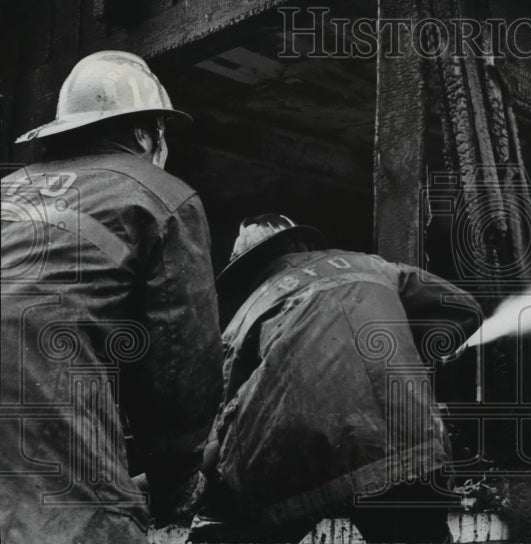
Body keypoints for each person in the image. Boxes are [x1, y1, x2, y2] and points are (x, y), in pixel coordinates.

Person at [0, 51, 223, 544]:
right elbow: (178, 373)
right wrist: (176, 483)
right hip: (59, 505)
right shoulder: (159, 197)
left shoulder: (6, 190)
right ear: (147, 134)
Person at [201, 214, 483, 543]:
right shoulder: (374, 266)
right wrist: (405, 350)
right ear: (302, 244)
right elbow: (465, 308)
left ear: (247, 270)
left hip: (303, 464)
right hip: (407, 445)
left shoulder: (248, 312)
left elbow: (220, 412)